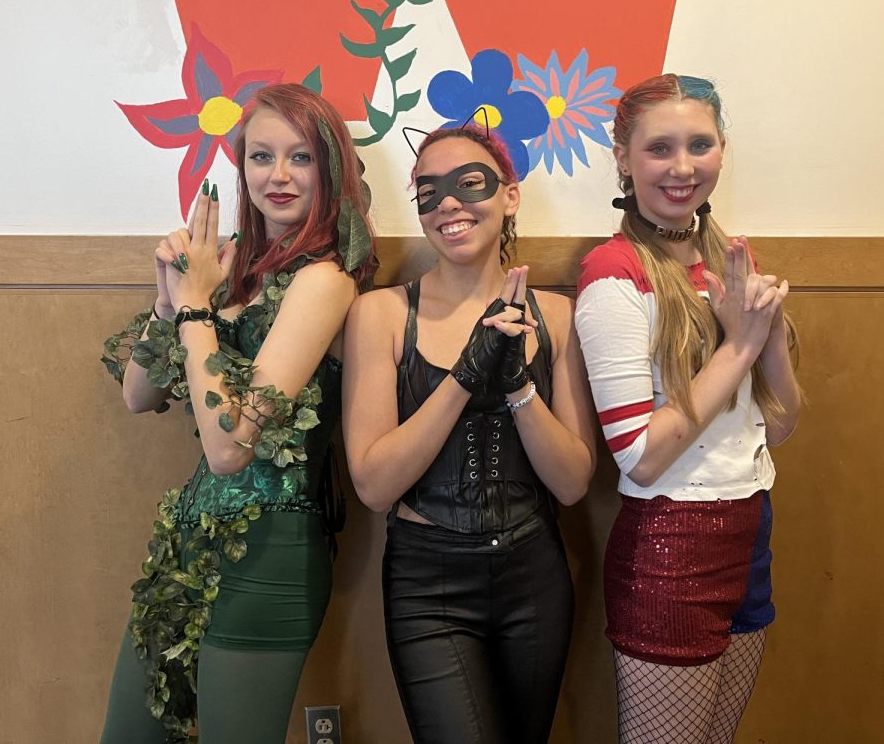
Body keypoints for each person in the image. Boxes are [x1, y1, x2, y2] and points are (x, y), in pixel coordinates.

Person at [98, 83, 375, 743]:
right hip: (188, 540)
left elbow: (232, 449)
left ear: (329, 170)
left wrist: (197, 307)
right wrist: (172, 300)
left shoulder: (325, 281)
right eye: (260, 157)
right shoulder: (227, 270)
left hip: (271, 550)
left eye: (300, 158)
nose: (277, 176)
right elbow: (138, 394)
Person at [342, 124, 598, 744]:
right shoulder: (380, 314)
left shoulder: (555, 316)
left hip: (533, 574)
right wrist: (465, 374)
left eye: (469, 184)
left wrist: (517, 387)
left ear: (509, 196)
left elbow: (572, 483)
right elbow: (375, 485)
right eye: (428, 192)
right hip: (427, 582)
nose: (449, 204)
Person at [574, 74, 803, 743]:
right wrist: (741, 343)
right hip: (672, 542)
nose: (682, 167)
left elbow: (781, 426)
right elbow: (642, 458)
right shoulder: (612, 275)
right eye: (659, 148)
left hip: (749, 528)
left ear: (722, 151)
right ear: (623, 157)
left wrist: (765, 332)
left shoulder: (729, 263)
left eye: (699, 145)